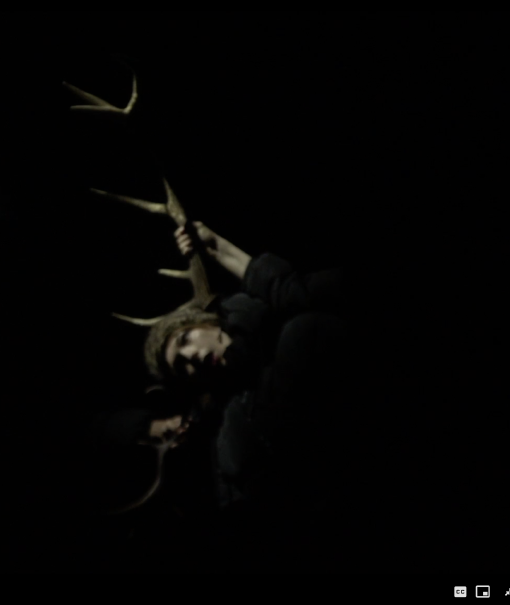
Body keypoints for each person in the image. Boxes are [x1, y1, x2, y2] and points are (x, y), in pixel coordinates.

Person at [142, 221, 365, 571]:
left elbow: (339, 291)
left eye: (185, 340)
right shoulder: (234, 434)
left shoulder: (280, 314)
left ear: (208, 322)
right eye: (180, 366)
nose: (193, 357)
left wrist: (219, 248)